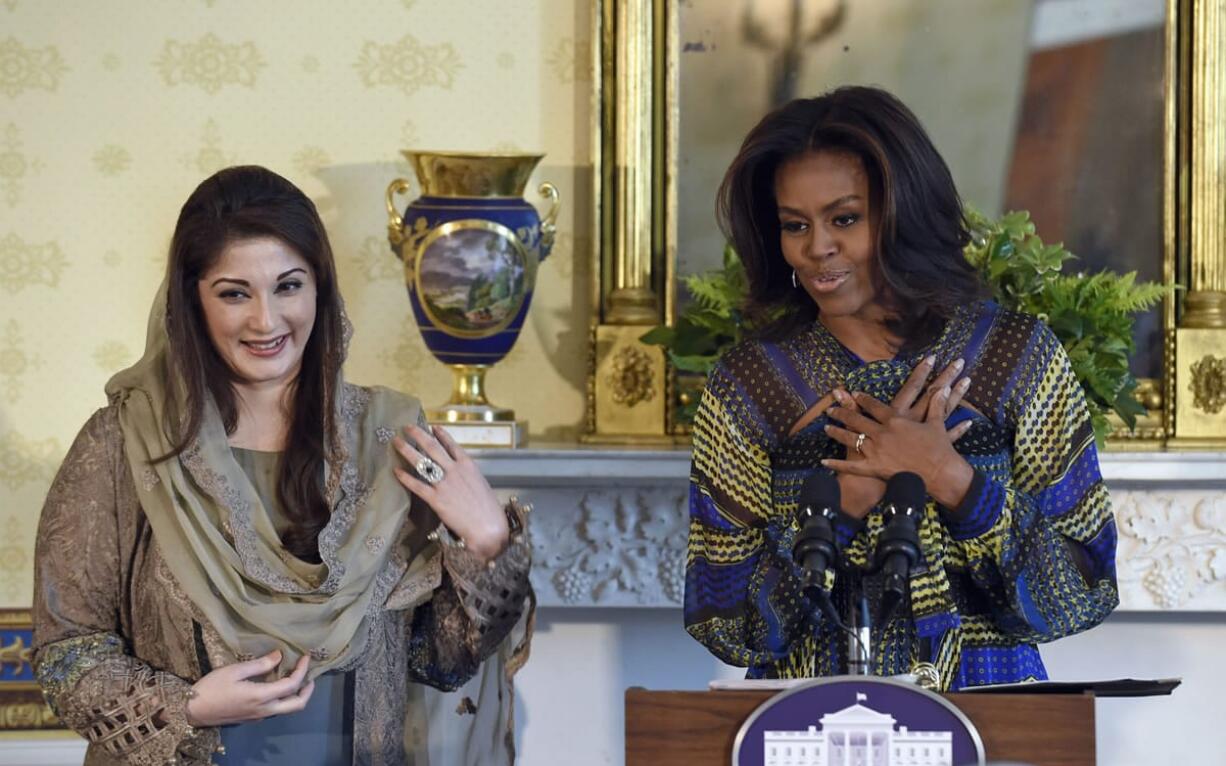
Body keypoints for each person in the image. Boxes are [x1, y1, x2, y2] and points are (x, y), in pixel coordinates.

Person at [32, 165, 533, 765]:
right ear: (191, 299)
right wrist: (185, 706)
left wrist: (487, 542)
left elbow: (436, 659)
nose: (266, 321)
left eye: (288, 286)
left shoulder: (390, 440)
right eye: (234, 293)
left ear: (321, 289)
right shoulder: (124, 443)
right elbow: (66, 652)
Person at [683, 86, 1119, 690]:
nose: (817, 249)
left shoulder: (1014, 357)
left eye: (845, 218)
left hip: (990, 723)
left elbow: (1084, 591)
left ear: (904, 211)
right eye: (794, 225)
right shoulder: (753, 384)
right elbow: (723, 623)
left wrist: (947, 476)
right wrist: (845, 499)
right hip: (812, 731)